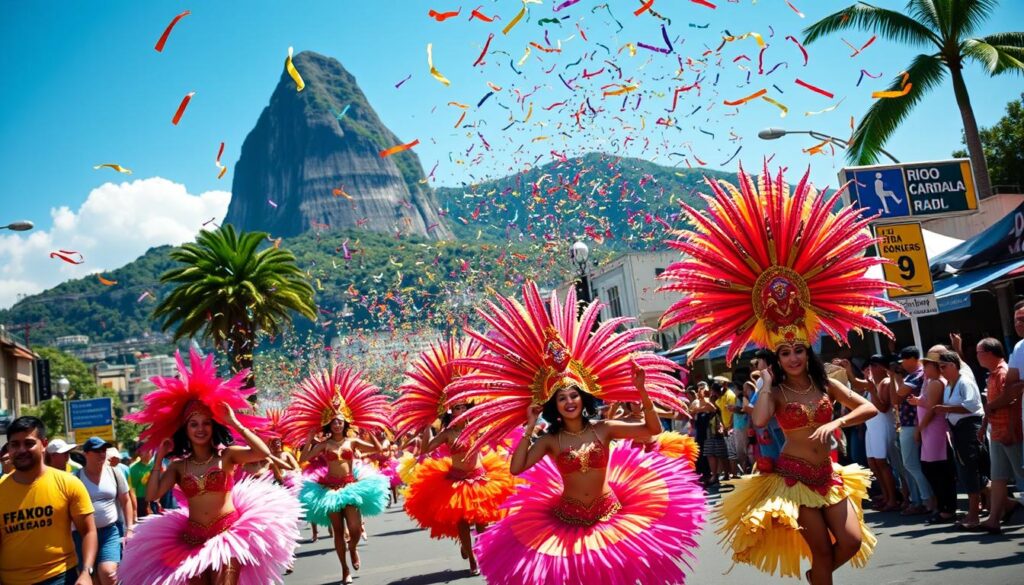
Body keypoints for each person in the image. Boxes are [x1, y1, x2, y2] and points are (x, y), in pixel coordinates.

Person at [659, 163, 899, 584]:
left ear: (808, 351)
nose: (792, 357)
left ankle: (815, 579)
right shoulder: (777, 390)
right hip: (792, 477)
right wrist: (766, 387)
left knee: (851, 542)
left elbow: (866, 409)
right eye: (784, 352)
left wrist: (838, 423)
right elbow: (758, 421)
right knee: (821, 549)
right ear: (776, 357)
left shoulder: (827, 383)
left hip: (830, 475)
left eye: (798, 350)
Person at [445, 282, 702, 585]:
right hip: (566, 523)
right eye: (562, 397)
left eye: (574, 395)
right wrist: (530, 424)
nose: (569, 401)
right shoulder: (550, 440)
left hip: (611, 515)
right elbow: (516, 468)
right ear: (554, 405)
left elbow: (651, 430)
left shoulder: (603, 429)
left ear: (584, 398)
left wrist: (642, 391)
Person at [118, 349, 301, 585]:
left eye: (206, 423)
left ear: (214, 426)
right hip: (191, 540)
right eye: (193, 424)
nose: (200, 429)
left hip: (227, 535)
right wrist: (158, 457)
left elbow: (262, 452)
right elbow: (152, 495)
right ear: (185, 429)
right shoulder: (177, 466)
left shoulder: (227, 456)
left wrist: (234, 422)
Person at [288, 365, 391, 585]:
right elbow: (303, 458)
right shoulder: (325, 444)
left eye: (340, 420)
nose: (337, 423)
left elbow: (378, 450)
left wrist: (371, 431)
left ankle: (353, 548)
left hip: (351, 486)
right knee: (337, 531)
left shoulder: (352, 441)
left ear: (345, 423)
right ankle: (345, 569)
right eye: (334, 420)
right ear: (329, 423)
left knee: (354, 529)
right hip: (329, 490)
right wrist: (308, 438)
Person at [0, 416, 98, 585]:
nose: (21, 449)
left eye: (29, 443)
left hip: (59, 577)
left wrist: (86, 571)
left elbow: (88, 531)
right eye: (15, 444)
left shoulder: (69, 483)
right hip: (11, 580)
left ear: (44, 444)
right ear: (8, 448)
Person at [934, 351, 987, 529]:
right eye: (939, 367)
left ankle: (974, 515)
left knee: (970, 470)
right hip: (958, 430)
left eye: (943, 366)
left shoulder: (965, 381)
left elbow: (972, 406)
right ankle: (1007, 504)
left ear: (954, 365)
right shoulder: (950, 385)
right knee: (968, 470)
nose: (941, 370)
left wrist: (946, 408)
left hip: (969, 429)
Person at [975, 338, 1023, 534]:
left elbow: (1013, 401)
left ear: (989, 353)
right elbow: (992, 405)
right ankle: (994, 519)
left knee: (1020, 473)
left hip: (1008, 432)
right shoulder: (993, 374)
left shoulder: (1003, 372)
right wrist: (984, 425)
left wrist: (1012, 430)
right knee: (998, 478)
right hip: (996, 431)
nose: (977, 356)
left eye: (979, 352)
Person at [72, 437, 132, 585]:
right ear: (86, 454)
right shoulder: (75, 478)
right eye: (97, 451)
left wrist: (130, 527)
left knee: (108, 572)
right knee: (91, 579)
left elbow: (126, 500)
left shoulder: (115, 473)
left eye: (104, 450)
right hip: (82, 535)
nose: (102, 454)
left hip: (109, 532)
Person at [844, 355, 899, 511]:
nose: (870, 370)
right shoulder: (872, 384)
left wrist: (872, 389)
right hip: (872, 428)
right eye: (869, 367)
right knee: (873, 463)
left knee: (883, 463)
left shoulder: (886, 382)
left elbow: (882, 408)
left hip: (883, 426)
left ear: (883, 367)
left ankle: (893, 499)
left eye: (874, 366)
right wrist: (848, 370)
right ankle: (886, 496)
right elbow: (855, 384)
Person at [887, 347, 934, 516]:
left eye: (904, 361)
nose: (902, 365)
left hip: (913, 424)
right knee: (914, 464)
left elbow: (897, 396)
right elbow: (896, 399)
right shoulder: (911, 375)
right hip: (911, 423)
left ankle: (926, 499)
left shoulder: (917, 374)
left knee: (911, 464)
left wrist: (893, 376)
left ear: (914, 358)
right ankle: (920, 500)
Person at [913, 353, 958, 524]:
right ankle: (944, 507)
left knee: (937, 470)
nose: (924, 369)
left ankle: (946, 509)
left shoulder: (936, 382)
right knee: (933, 470)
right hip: (930, 431)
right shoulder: (930, 382)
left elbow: (932, 410)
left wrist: (919, 429)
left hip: (934, 431)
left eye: (927, 366)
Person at [127, 449, 155, 518]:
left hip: (154, 498)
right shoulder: (133, 468)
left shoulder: (155, 465)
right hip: (141, 500)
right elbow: (132, 489)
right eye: (145, 450)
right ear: (139, 453)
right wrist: (134, 509)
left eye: (149, 450)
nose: (148, 452)